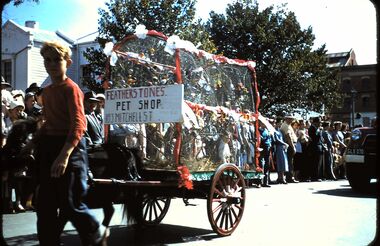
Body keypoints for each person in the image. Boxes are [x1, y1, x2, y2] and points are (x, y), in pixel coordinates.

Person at [30, 41, 107, 245]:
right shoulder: (46, 92)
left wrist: (64, 156)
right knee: (45, 206)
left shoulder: (71, 89)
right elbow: (49, 123)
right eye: (48, 60)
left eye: (57, 60)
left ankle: (96, 234)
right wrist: (31, 143)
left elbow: (78, 125)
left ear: (68, 62)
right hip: (49, 148)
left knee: (71, 204)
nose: (52, 64)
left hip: (71, 150)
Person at [280, 115, 299, 183]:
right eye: (290, 119)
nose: (292, 120)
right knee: (290, 162)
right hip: (290, 145)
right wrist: (293, 147)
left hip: (291, 144)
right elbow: (288, 137)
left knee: (290, 161)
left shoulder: (288, 125)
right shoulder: (286, 126)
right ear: (287, 119)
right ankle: (290, 177)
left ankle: (290, 176)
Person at [307, 117, 324, 182]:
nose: (320, 123)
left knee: (318, 162)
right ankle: (314, 177)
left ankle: (316, 176)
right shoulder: (312, 128)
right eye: (319, 122)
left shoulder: (317, 129)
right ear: (315, 122)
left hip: (318, 146)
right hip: (314, 147)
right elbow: (314, 137)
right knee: (314, 163)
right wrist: (319, 130)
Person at [273, 118, 288, 184]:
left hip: (282, 148)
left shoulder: (280, 130)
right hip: (278, 147)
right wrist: (284, 143)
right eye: (280, 122)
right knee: (280, 162)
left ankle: (282, 177)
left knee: (283, 163)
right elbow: (277, 139)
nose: (281, 124)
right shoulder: (274, 130)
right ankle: (280, 177)